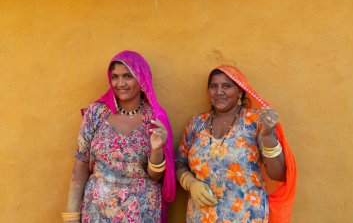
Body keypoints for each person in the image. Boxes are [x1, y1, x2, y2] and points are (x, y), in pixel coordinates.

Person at [62, 50, 176, 223]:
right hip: (97, 210)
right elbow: (80, 166)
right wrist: (71, 217)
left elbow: (156, 176)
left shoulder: (153, 118)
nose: (120, 83)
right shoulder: (96, 113)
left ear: (142, 78)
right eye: (115, 76)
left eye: (127, 76)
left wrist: (156, 149)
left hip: (140, 211)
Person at [176, 65, 297, 223]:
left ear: (240, 91)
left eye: (226, 86)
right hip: (201, 216)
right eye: (214, 86)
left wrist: (268, 136)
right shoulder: (196, 124)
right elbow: (178, 163)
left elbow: (278, 175)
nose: (219, 92)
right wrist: (191, 183)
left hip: (246, 215)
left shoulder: (255, 121)